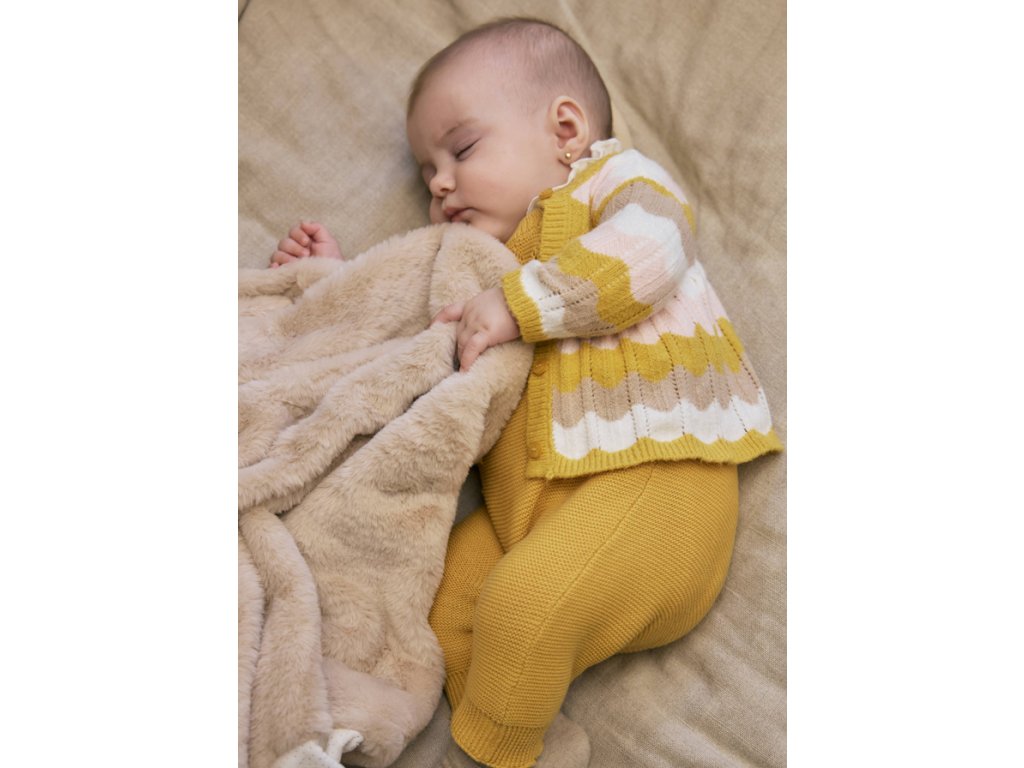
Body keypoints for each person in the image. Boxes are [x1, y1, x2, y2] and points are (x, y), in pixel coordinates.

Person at [271, 17, 782, 768]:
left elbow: (655, 248)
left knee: (521, 608)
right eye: (428, 171)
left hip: (657, 481)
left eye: (463, 149)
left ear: (566, 131)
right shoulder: (475, 263)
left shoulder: (612, 185)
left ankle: (485, 756)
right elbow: (410, 345)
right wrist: (338, 282)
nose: (440, 182)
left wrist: (523, 304)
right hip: (530, 518)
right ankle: (535, 748)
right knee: (439, 609)